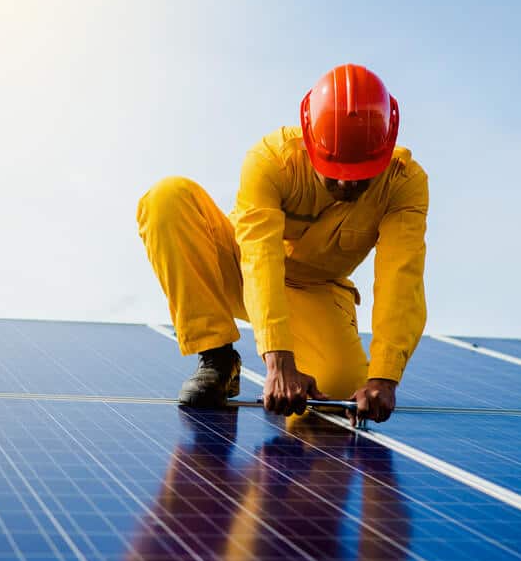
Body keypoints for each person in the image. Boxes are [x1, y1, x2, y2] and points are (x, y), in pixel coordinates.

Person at [137, 64, 428, 422]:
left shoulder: (405, 184)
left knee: (337, 390)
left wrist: (385, 377)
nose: (348, 186)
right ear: (310, 140)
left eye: (361, 175)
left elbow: (402, 279)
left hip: (316, 292)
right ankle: (218, 359)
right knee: (167, 198)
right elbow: (260, 257)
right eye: (335, 173)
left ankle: (312, 370)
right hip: (241, 269)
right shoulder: (271, 159)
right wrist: (279, 361)